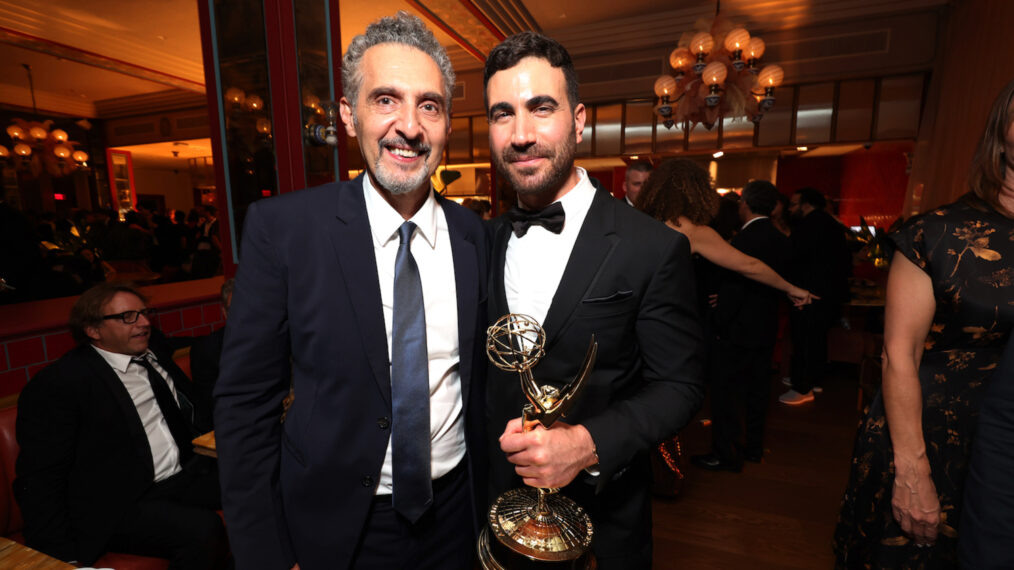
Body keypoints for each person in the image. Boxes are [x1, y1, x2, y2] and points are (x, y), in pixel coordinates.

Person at [215, 12, 489, 570]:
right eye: (385, 100)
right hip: (336, 525)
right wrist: (264, 554)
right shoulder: (285, 230)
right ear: (347, 115)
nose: (409, 126)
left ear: (446, 125)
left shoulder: (474, 236)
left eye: (429, 106)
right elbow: (245, 404)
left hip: (458, 514)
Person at [483, 32, 703, 568]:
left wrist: (587, 443)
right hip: (493, 520)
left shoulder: (652, 247)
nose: (521, 134)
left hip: (602, 528)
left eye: (542, 109)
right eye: (502, 114)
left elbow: (681, 385)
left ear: (579, 119)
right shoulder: (480, 241)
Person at [834, 78, 1014, 568]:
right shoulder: (935, 233)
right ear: (1004, 131)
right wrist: (912, 468)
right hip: (935, 435)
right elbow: (900, 354)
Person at [14, 282, 225, 568]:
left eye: (145, 313)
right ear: (93, 330)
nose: (144, 323)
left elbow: (195, 345)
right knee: (202, 529)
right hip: (122, 500)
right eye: (128, 317)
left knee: (264, 481)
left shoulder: (152, 349)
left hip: (183, 476)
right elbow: (40, 476)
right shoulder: (61, 383)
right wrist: (60, 555)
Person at [691, 180, 792, 471]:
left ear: (745, 204)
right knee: (758, 392)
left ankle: (725, 453)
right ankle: (753, 448)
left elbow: (737, 287)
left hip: (734, 330)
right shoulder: (781, 239)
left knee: (725, 395)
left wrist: (719, 315)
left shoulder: (741, 242)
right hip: (765, 327)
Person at [636, 158, 814, 306]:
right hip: (668, 311)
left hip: (634, 308)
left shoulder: (639, 222)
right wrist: (791, 288)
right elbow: (749, 266)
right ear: (698, 192)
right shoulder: (692, 231)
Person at [779, 187, 851, 404]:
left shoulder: (808, 226)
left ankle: (802, 388)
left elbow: (794, 259)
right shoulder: (832, 224)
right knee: (817, 339)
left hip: (808, 294)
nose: (790, 209)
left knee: (804, 340)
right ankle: (814, 381)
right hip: (828, 294)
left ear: (806, 204)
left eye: (793, 204)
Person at [188, 277, 233, 428]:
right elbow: (212, 408)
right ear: (225, 313)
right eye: (236, 309)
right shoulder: (208, 350)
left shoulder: (279, 337)